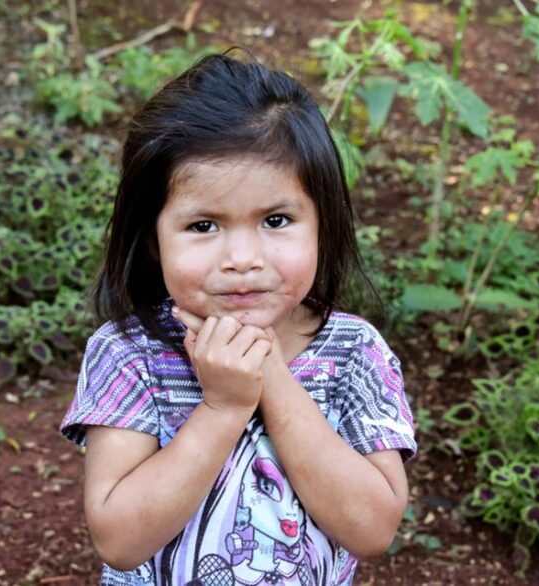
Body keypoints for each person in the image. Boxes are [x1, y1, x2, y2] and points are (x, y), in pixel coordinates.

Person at [60, 52, 417, 586]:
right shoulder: (130, 353)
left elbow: (372, 530)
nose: (243, 258)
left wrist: (268, 372)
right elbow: (119, 541)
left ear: (323, 224)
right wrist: (223, 406)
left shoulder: (354, 353)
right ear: (153, 239)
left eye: (276, 220)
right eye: (204, 225)